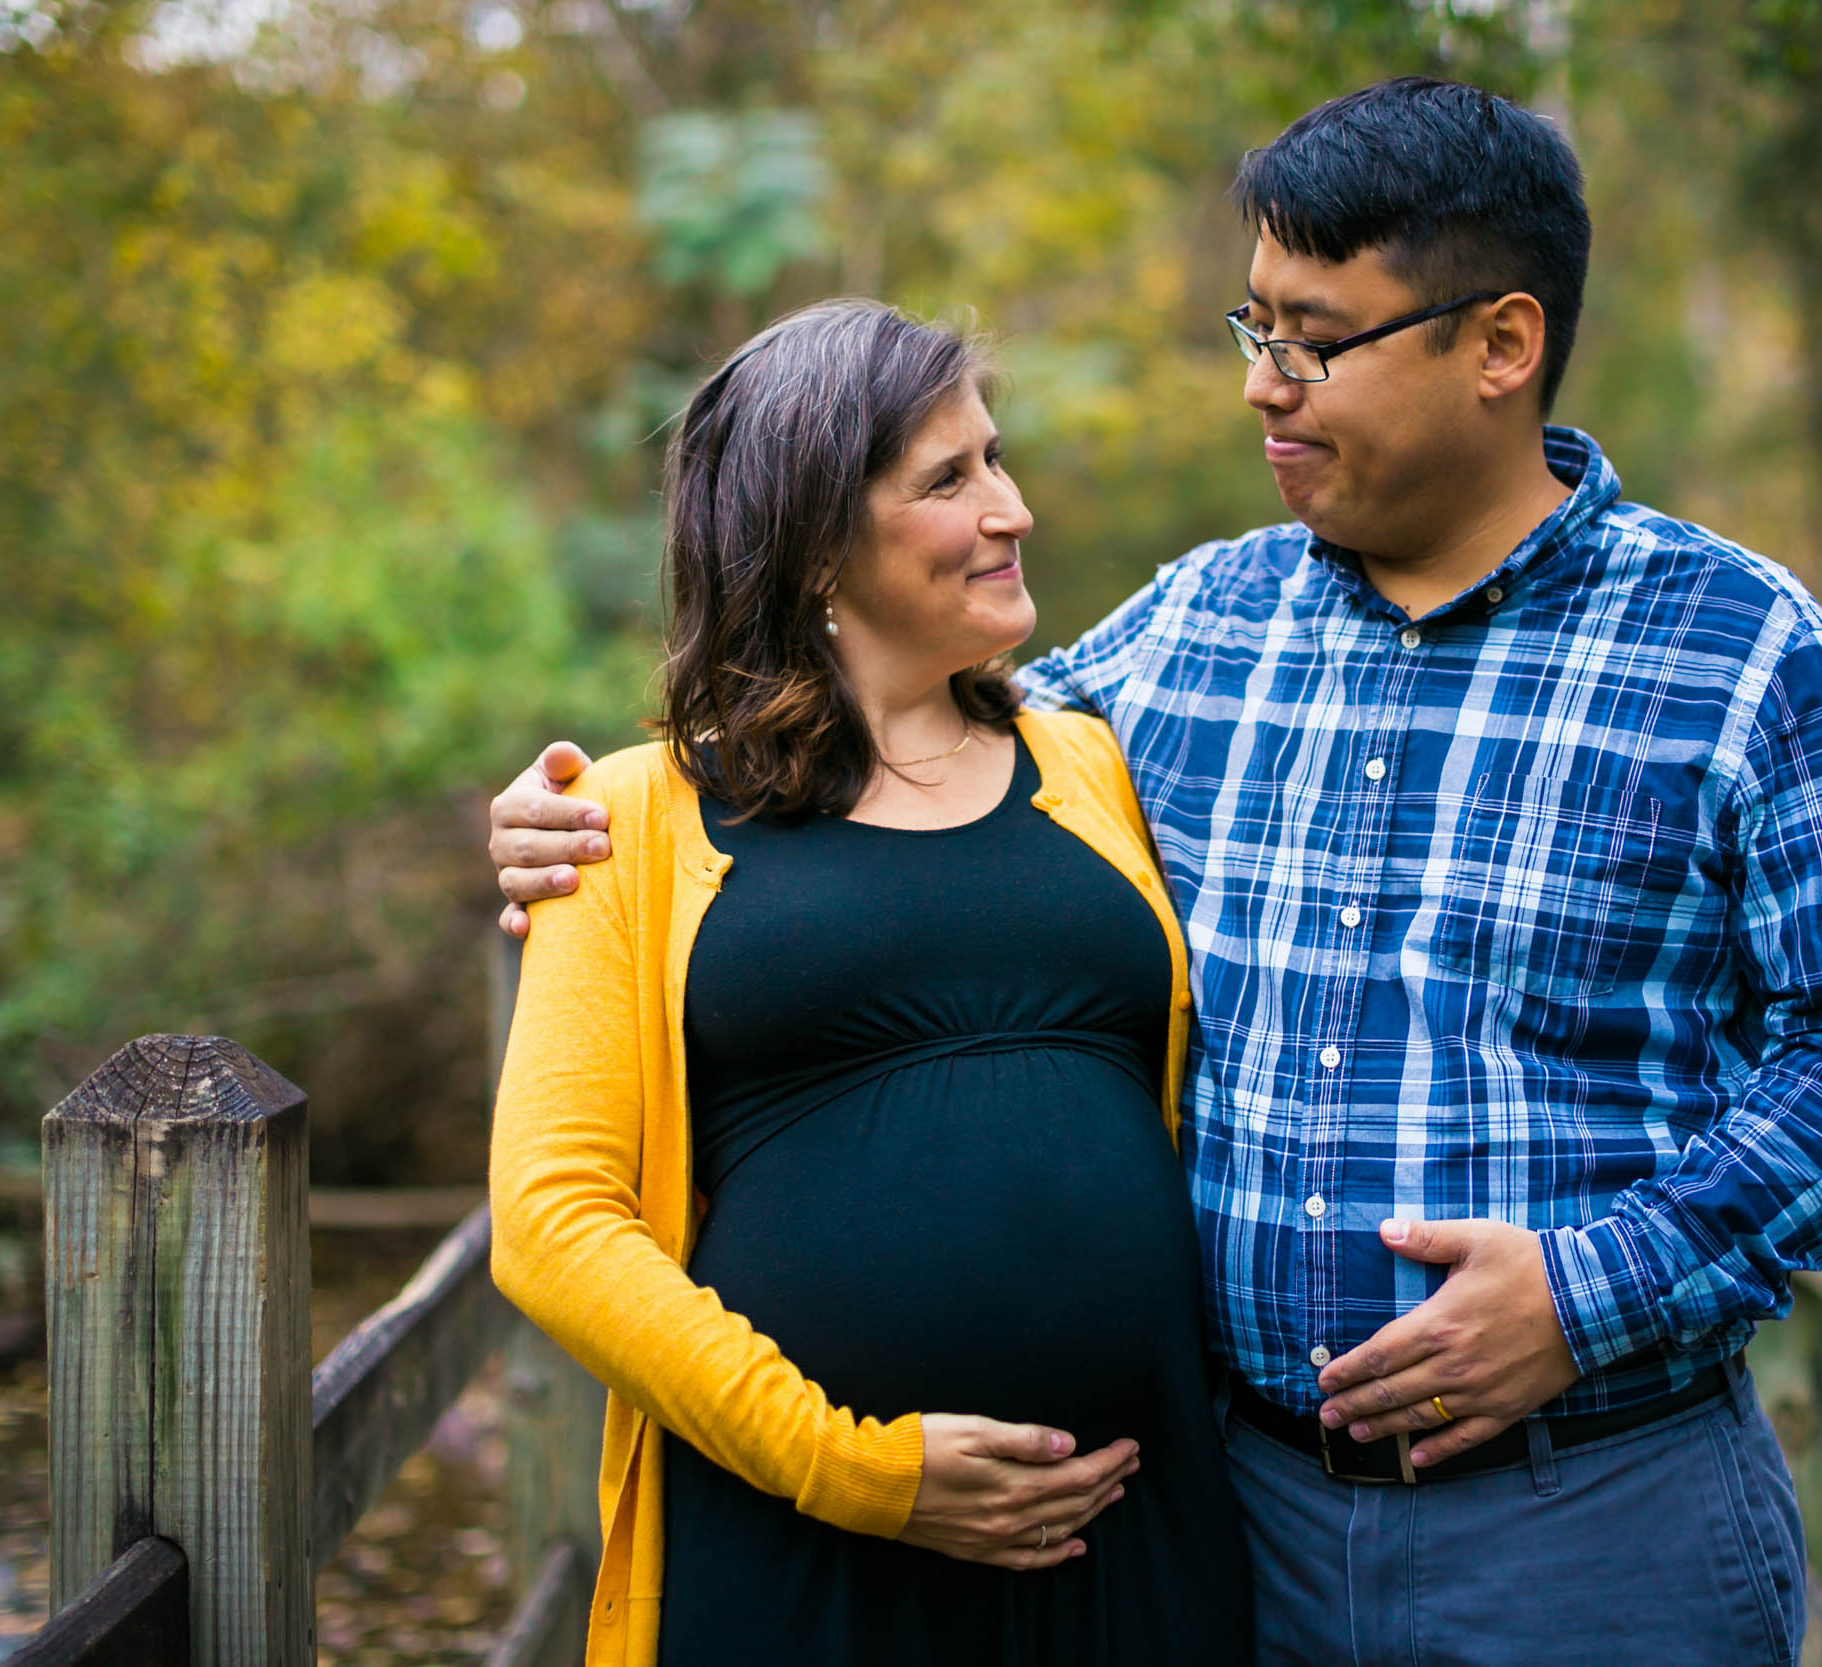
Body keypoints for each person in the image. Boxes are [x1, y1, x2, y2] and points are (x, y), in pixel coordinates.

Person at [492, 78, 1822, 1667]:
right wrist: (582, 808)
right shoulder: (1189, 633)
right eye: (1250, 326)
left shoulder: (1740, 650)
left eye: (1316, 340)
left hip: (1586, 1524)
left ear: (1500, 345)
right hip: (1232, 1524)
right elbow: (890, 745)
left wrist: (1594, 1291)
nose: (1263, 386)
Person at [485, 298, 1253, 1667]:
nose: (1012, 508)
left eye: (997, 458)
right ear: (814, 543)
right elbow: (552, 1222)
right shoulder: (634, 819)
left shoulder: (1091, 765)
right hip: (807, 1550)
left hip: (1134, 1535)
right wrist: (854, 1469)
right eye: (949, 479)